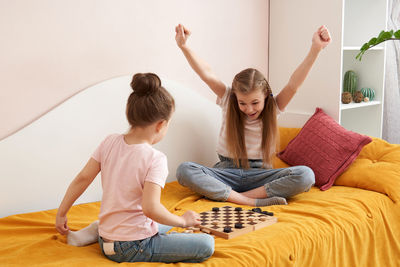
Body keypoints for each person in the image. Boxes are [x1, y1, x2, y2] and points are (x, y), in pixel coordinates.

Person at [55, 73, 214, 263]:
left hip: (107, 238)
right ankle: (101, 230)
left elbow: (82, 178)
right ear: (161, 125)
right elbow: (150, 208)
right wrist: (182, 222)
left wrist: (62, 213)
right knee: (206, 244)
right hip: (133, 246)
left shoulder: (109, 142)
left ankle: (95, 230)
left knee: (164, 221)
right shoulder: (155, 159)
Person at [175, 24, 331, 207]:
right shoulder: (227, 99)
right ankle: (251, 201)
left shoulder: (273, 107)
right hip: (227, 172)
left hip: (260, 176)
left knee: (306, 175)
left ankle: (236, 197)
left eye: (255, 103)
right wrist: (184, 46)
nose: (249, 109)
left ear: (265, 96)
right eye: (242, 103)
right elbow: (206, 73)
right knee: (185, 170)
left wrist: (316, 48)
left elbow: (293, 85)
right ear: (236, 98)